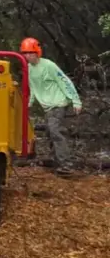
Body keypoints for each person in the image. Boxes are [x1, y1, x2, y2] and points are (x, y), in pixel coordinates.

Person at [20, 37, 82, 175]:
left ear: (37, 52)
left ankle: (66, 165)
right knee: (49, 132)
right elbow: (34, 89)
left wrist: (76, 100)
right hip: (46, 106)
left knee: (55, 132)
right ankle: (57, 162)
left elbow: (65, 81)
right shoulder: (29, 69)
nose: (28, 56)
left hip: (58, 103)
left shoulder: (49, 65)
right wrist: (28, 104)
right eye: (25, 53)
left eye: (30, 52)